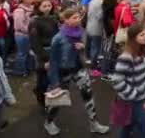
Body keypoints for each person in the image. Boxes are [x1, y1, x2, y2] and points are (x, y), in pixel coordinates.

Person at [45, 8, 109, 136]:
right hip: (63, 72)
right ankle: (49, 122)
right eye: (74, 18)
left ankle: (94, 124)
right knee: (58, 101)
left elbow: (82, 51)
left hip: (79, 69)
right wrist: (55, 83)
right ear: (65, 20)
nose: (78, 20)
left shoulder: (81, 32)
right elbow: (53, 62)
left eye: (79, 17)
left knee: (88, 96)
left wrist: (82, 48)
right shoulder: (58, 38)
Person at [112, 23, 145, 138]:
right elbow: (117, 81)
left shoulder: (140, 53)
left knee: (128, 126)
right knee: (143, 128)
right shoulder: (126, 57)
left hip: (139, 98)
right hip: (133, 101)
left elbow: (143, 75)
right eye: (142, 35)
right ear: (133, 38)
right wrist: (134, 94)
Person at [29, 0, 60, 108]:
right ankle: (40, 98)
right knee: (43, 78)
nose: (47, 8)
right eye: (44, 6)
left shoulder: (54, 18)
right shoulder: (35, 21)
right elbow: (35, 42)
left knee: (52, 77)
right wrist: (45, 59)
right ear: (38, 8)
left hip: (54, 50)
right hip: (43, 52)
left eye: (49, 6)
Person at [86, 0, 105, 76]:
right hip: (96, 28)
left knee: (91, 46)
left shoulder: (92, 1)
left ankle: (91, 62)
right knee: (95, 48)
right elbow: (99, 16)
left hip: (89, 26)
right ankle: (94, 66)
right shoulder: (100, 3)